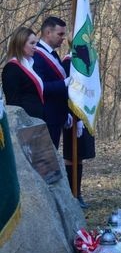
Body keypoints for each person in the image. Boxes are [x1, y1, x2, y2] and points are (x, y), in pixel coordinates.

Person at [61, 54, 95, 209]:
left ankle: (78, 191)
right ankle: (72, 193)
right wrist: (73, 115)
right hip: (72, 116)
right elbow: (69, 91)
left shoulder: (88, 61)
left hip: (85, 113)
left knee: (80, 154)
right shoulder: (69, 63)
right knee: (71, 155)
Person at [33, 16, 71, 149]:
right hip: (47, 117)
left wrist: (66, 112)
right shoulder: (36, 55)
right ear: (48, 33)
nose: (63, 38)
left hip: (57, 115)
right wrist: (64, 83)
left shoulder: (53, 54)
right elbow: (40, 87)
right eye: (60, 34)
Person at [1, 27, 45, 120]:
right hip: (26, 124)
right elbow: (13, 103)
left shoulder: (30, 65)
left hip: (38, 121)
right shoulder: (11, 68)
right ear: (20, 44)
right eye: (32, 43)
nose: (35, 47)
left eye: (36, 43)